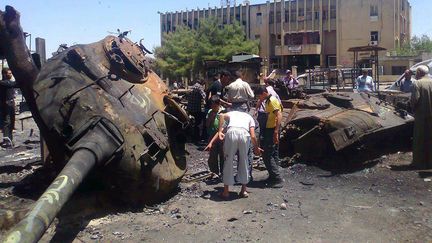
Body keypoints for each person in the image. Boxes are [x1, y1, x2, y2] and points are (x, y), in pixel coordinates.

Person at [209, 109, 261, 199]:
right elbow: (253, 136)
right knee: (244, 161)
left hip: (231, 132)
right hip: (245, 134)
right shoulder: (250, 118)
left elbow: (221, 115)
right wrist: (256, 148)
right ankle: (243, 190)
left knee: (228, 160)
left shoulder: (232, 113)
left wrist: (220, 131)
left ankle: (226, 192)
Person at [255, 86, 284, 188]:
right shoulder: (267, 101)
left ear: (263, 93)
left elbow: (279, 115)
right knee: (273, 153)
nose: (259, 98)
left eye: (259, 96)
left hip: (272, 130)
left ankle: (277, 178)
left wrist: (276, 131)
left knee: (267, 154)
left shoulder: (271, 101)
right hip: (271, 129)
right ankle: (274, 176)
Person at [410, 65, 432, 169]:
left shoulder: (417, 83)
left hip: (421, 116)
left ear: (419, 72)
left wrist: (413, 109)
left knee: (420, 139)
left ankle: (419, 163)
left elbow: (415, 99)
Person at [205, 95, 225, 176]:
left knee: (223, 154)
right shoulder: (210, 112)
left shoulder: (223, 112)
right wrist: (211, 118)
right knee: (213, 155)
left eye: (215, 105)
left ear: (219, 104)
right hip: (211, 134)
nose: (213, 107)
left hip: (221, 136)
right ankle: (214, 172)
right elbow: (207, 124)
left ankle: (223, 172)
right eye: (212, 105)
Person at [0, 68, 17, 148]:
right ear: (4, 74)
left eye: (11, 73)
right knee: (7, 122)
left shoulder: (9, 82)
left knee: (11, 123)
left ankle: (10, 139)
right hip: (5, 105)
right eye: (9, 73)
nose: (10, 75)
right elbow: (13, 84)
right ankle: (6, 141)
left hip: (11, 104)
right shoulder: (2, 83)